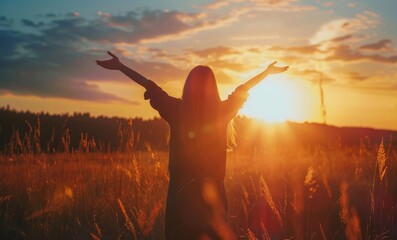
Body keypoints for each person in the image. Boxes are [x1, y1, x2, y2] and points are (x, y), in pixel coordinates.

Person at [96, 51, 288, 239]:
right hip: (212, 202)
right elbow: (243, 89)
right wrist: (266, 73)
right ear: (213, 88)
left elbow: (149, 85)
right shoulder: (220, 112)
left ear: (188, 86)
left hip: (180, 201)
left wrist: (120, 66)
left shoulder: (177, 110)